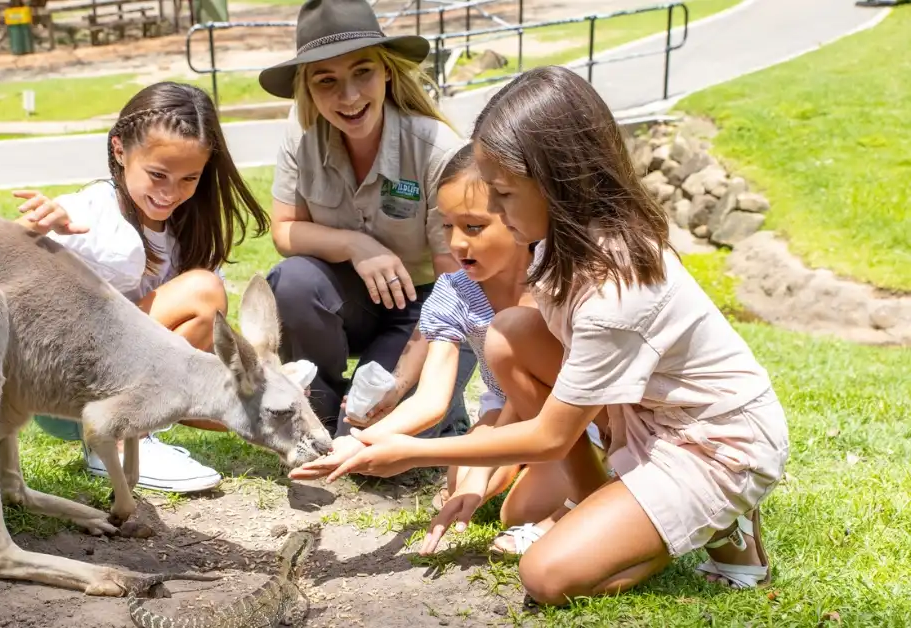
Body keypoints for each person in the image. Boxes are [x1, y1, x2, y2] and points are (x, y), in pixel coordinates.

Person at [323, 66, 790, 604]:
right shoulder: (553, 241)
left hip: (711, 441)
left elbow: (549, 437)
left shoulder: (616, 287)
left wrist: (414, 452)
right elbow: (531, 391)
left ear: (555, 181)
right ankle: (616, 508)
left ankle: (714, 522)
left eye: (502, 195)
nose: (494, 212)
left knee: (546, 576)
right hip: (635, 416)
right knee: (507, 335)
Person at [288, 143, 609, 553]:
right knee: (465, 484)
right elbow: (431, 400)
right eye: (446, 227)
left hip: (572, 413)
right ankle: (533, 477)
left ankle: (600, 475)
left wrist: (480, 467)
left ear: (514, 221)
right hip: (505, 411)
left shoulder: (545, 279)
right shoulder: (454, 290)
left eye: (473, 228)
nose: (456, 244)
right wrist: (357, 442)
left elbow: (523, 399)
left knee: (514, 510)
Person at [11, 81, 270, 494]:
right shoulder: (89, 211)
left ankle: (134, 433)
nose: (170, 193)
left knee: (242, 393)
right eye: (157, 175)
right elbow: (5, 267)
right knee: (203, 292)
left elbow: (196, 360)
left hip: (104, 380)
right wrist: (36, 230)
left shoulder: (186, 231)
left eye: (189, 178)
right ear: (120, 150)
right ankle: (115, 442)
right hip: (61, 385)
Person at [258, 0, 478, 447]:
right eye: (327, 81)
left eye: (363, 73)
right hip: (349, 299)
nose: (350, 96)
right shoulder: (300, 135)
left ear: (387, 72)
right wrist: (357, 246)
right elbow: (284, 230)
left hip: (427, 308)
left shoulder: (437, 149)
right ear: (308, 90)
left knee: (368, 442)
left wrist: (400, 381)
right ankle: (321, 401)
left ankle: (437, 404)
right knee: (292, 282)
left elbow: (458, 285)